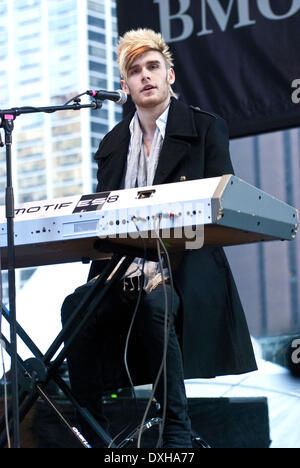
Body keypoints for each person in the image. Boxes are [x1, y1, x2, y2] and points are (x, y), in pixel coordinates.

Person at [61, 28, 257, 448]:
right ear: (125, 86)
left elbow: (224, 202)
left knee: (156, 303)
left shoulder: (205, 128)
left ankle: (176, 434)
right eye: (135, 71)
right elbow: (103, 218)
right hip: (122, 271)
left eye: (153, 67)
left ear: (171, 75)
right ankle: (93, 433)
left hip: (186, 267)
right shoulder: (113, 144)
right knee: (75, 306)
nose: (145, 76)